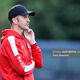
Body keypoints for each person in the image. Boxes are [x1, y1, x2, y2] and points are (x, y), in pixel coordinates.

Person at [0, 4, 43, 80]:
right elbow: (23, 69)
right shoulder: (10, 40)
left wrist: (33, 43)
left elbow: (39, 63)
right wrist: (32, 61)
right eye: (24, 17)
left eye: (28, 17)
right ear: (15, 20)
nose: (28, 20)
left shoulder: (24, 41)